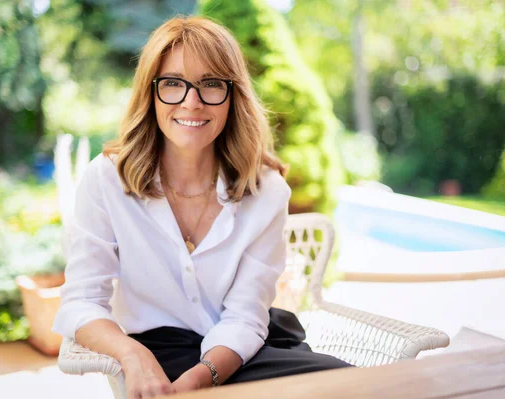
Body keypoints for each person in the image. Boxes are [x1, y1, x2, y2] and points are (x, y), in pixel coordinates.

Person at [52, 16, 349, 398]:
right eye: (173, 83)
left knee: (352, 383)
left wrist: (202, 377)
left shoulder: (267, 190)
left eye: (211, 84)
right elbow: (81, 303)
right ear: (151, 93)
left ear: (232, 96)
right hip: (158, 351)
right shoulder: (106, 180)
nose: (192, 102)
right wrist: (133, 355)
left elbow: (245, 317)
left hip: (242, 349)